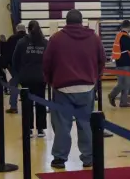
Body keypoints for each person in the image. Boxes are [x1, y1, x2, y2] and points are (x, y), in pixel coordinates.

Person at [43, 9, 106, 169]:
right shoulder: (94, 38)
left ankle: (59, 158)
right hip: (86, 87)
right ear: (81, 21)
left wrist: (51, 82)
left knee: (62, 125)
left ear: (66, 21)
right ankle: (88, 158)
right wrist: (94, 78)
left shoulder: (56, 39)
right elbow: (102, 61)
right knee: (85, 123)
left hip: (63, 87)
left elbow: (47, 63)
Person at [12, 21, 48, 138]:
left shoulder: (22, 42)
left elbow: (15, 59)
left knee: (27, 104)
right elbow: (49, 60)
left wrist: (19, 72)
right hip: (40, 77)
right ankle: (41, 129)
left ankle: (29, 128)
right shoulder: (45, 43)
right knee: (40, 103)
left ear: (28, 29)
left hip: (26, 77)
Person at [5, 24, 27, 114]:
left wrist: (7, 65)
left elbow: (6, 52)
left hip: (14, 67)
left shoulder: (11, 39)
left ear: (16, 29)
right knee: (27, 87)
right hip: (27, 67)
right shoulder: (29, 38)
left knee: (13, 86)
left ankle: (13, 106)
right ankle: (27, 106)